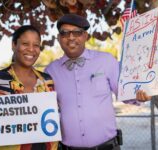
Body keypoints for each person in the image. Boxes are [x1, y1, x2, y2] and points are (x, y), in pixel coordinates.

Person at [45, 14, 151, 150]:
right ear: (59, 38)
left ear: (85, 36)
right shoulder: (50, 71)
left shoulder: (106, 61)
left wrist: (140, 95)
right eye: (65, 33)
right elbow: (46, 109)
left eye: (77, 32)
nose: (71, 37)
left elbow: (124, 92)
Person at [0, 25, 58, 150]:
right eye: (25, 43)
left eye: (36, 45)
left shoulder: (47, 81)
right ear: (14, 45)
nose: (31, 49)